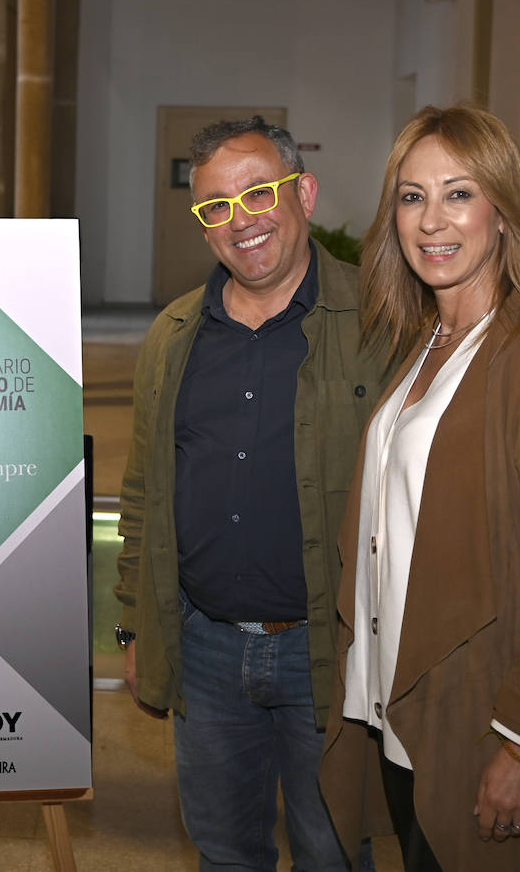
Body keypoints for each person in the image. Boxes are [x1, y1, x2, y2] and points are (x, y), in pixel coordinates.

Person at [318, 104, 520, 871]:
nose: (430, 221)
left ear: (504, 212)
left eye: (458, 193)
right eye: (412, 196)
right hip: (409, 715)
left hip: (485, 721)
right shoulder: (427, 344)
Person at [115, 116, 390, 870]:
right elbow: (142, 493)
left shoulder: (379, 324)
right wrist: (138, 627)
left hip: (327, 651)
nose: (241, 222)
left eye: (259, 194)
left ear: (303, 192)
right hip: (204, 649)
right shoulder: (175, 334)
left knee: (332, 850)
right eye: (215, 207)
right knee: (225, 852)